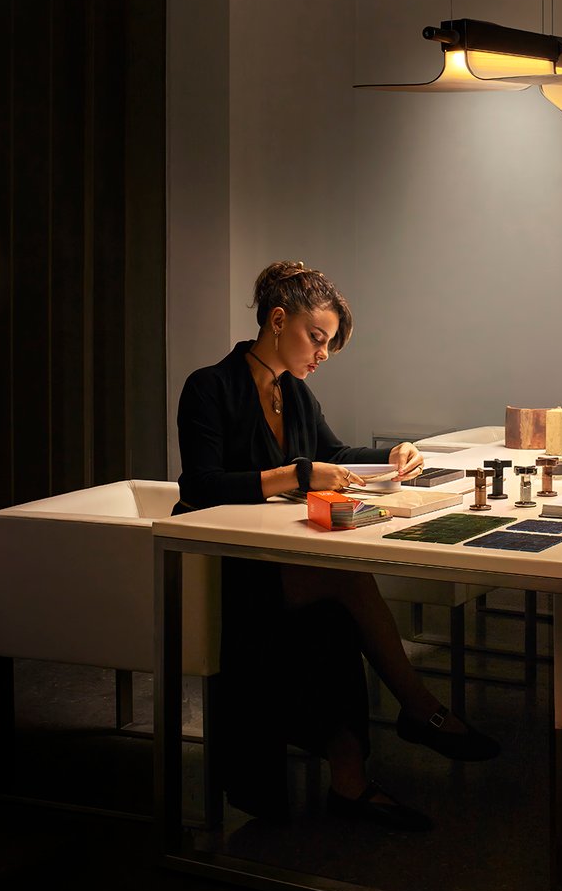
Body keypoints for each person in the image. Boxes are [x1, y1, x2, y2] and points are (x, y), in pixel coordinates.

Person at [176, 260, 499, 831]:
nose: (321, 355)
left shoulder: (295, 396)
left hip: (284, 560)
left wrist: (395, 456)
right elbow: (200, 487)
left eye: (327, 345)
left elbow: (337, 455)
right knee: (347, 578)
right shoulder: (210, 387)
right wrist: (297, 475)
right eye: (316, 339)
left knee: (333, 622)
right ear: (278, 320)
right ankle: (419, 708)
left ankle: (352, 781)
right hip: (225, 567)